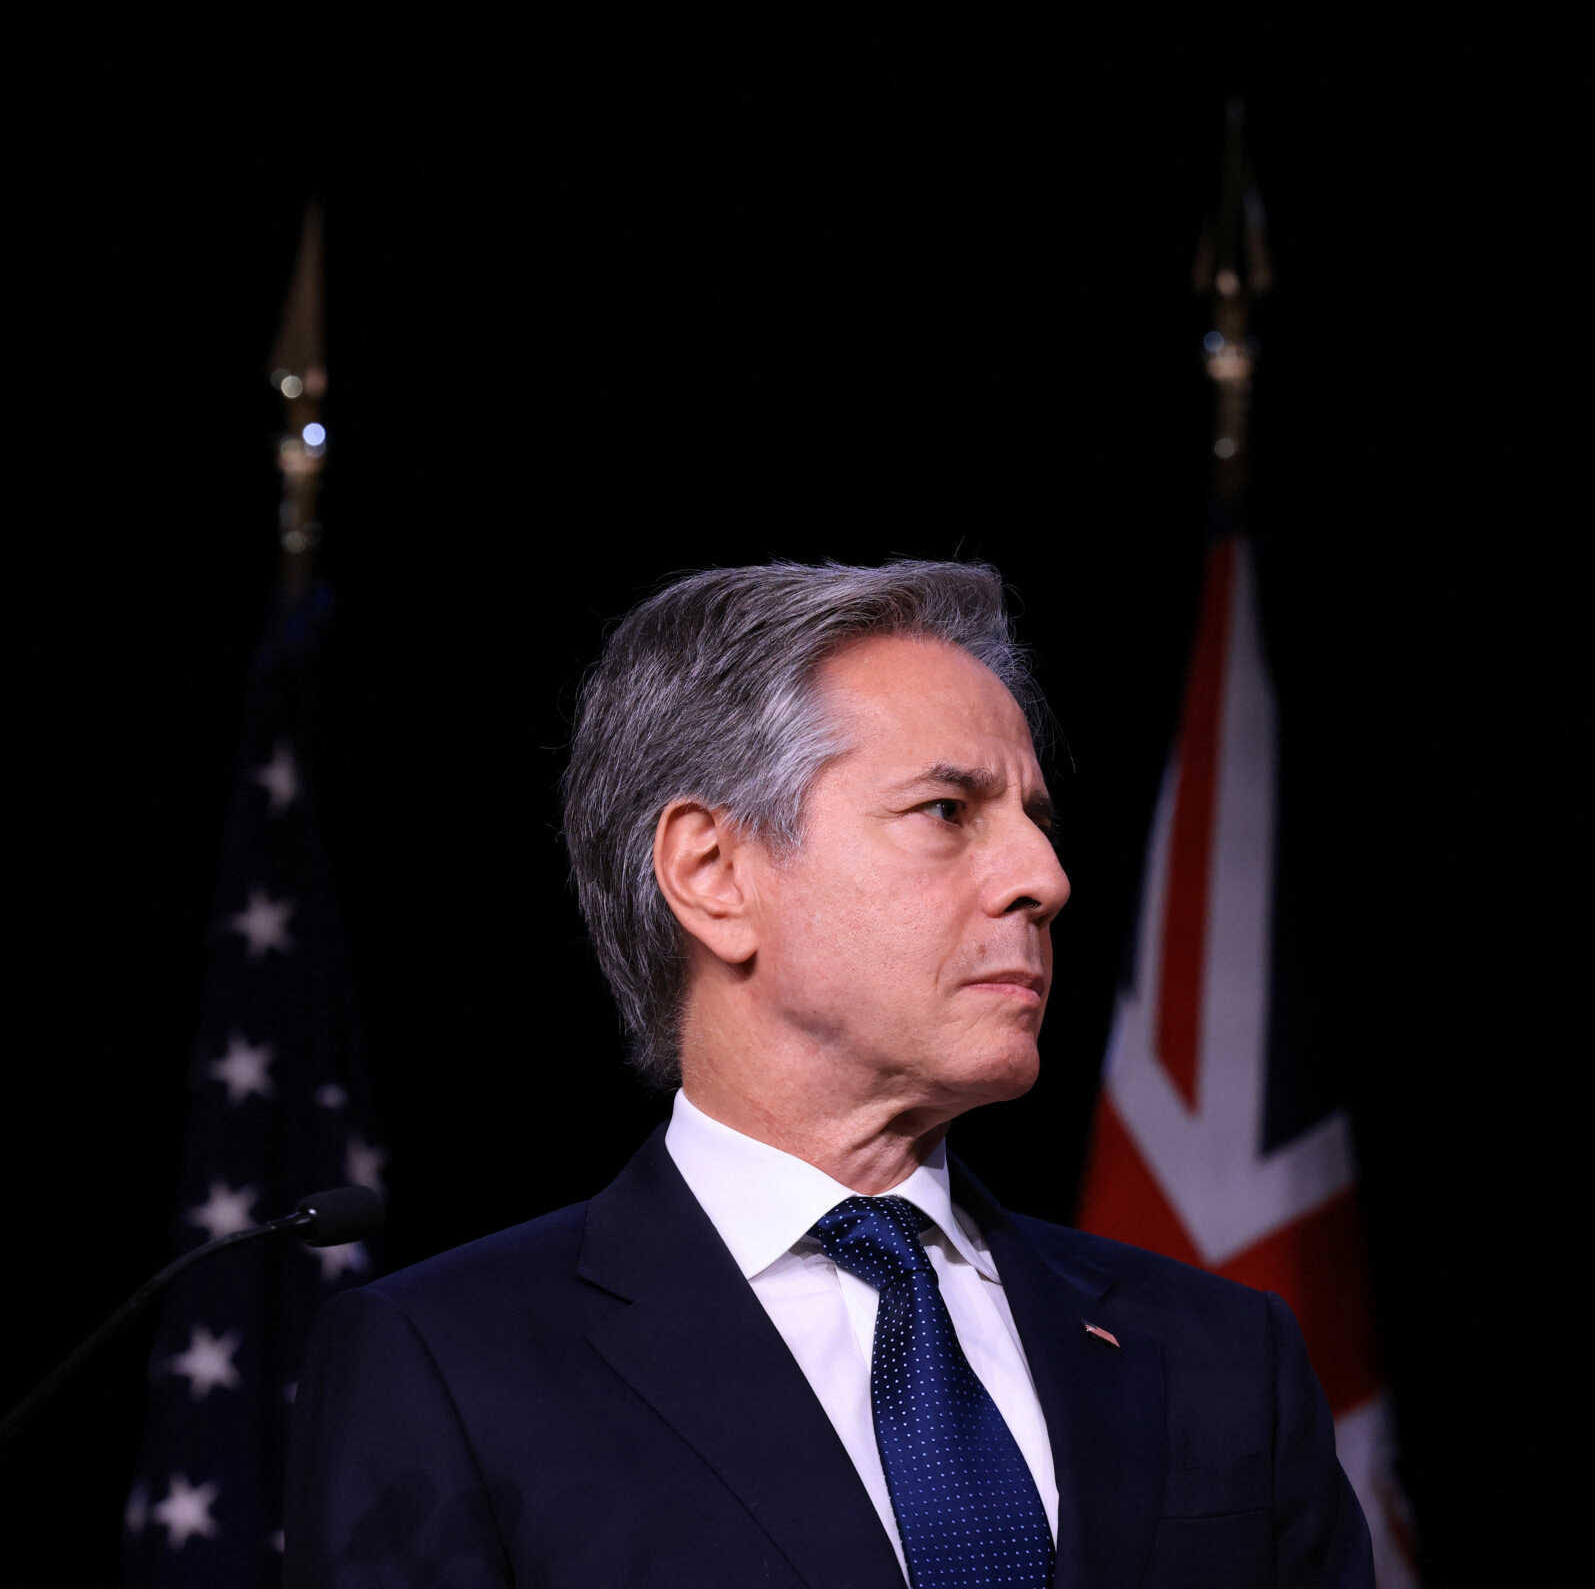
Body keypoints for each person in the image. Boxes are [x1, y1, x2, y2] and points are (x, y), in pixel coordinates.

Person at [286, 561, 1374, 1588]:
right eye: (948, 812)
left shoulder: (1225, 1355)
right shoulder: (449, 1367)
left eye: (1035, 820)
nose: (1045, 878)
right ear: (714, 874)